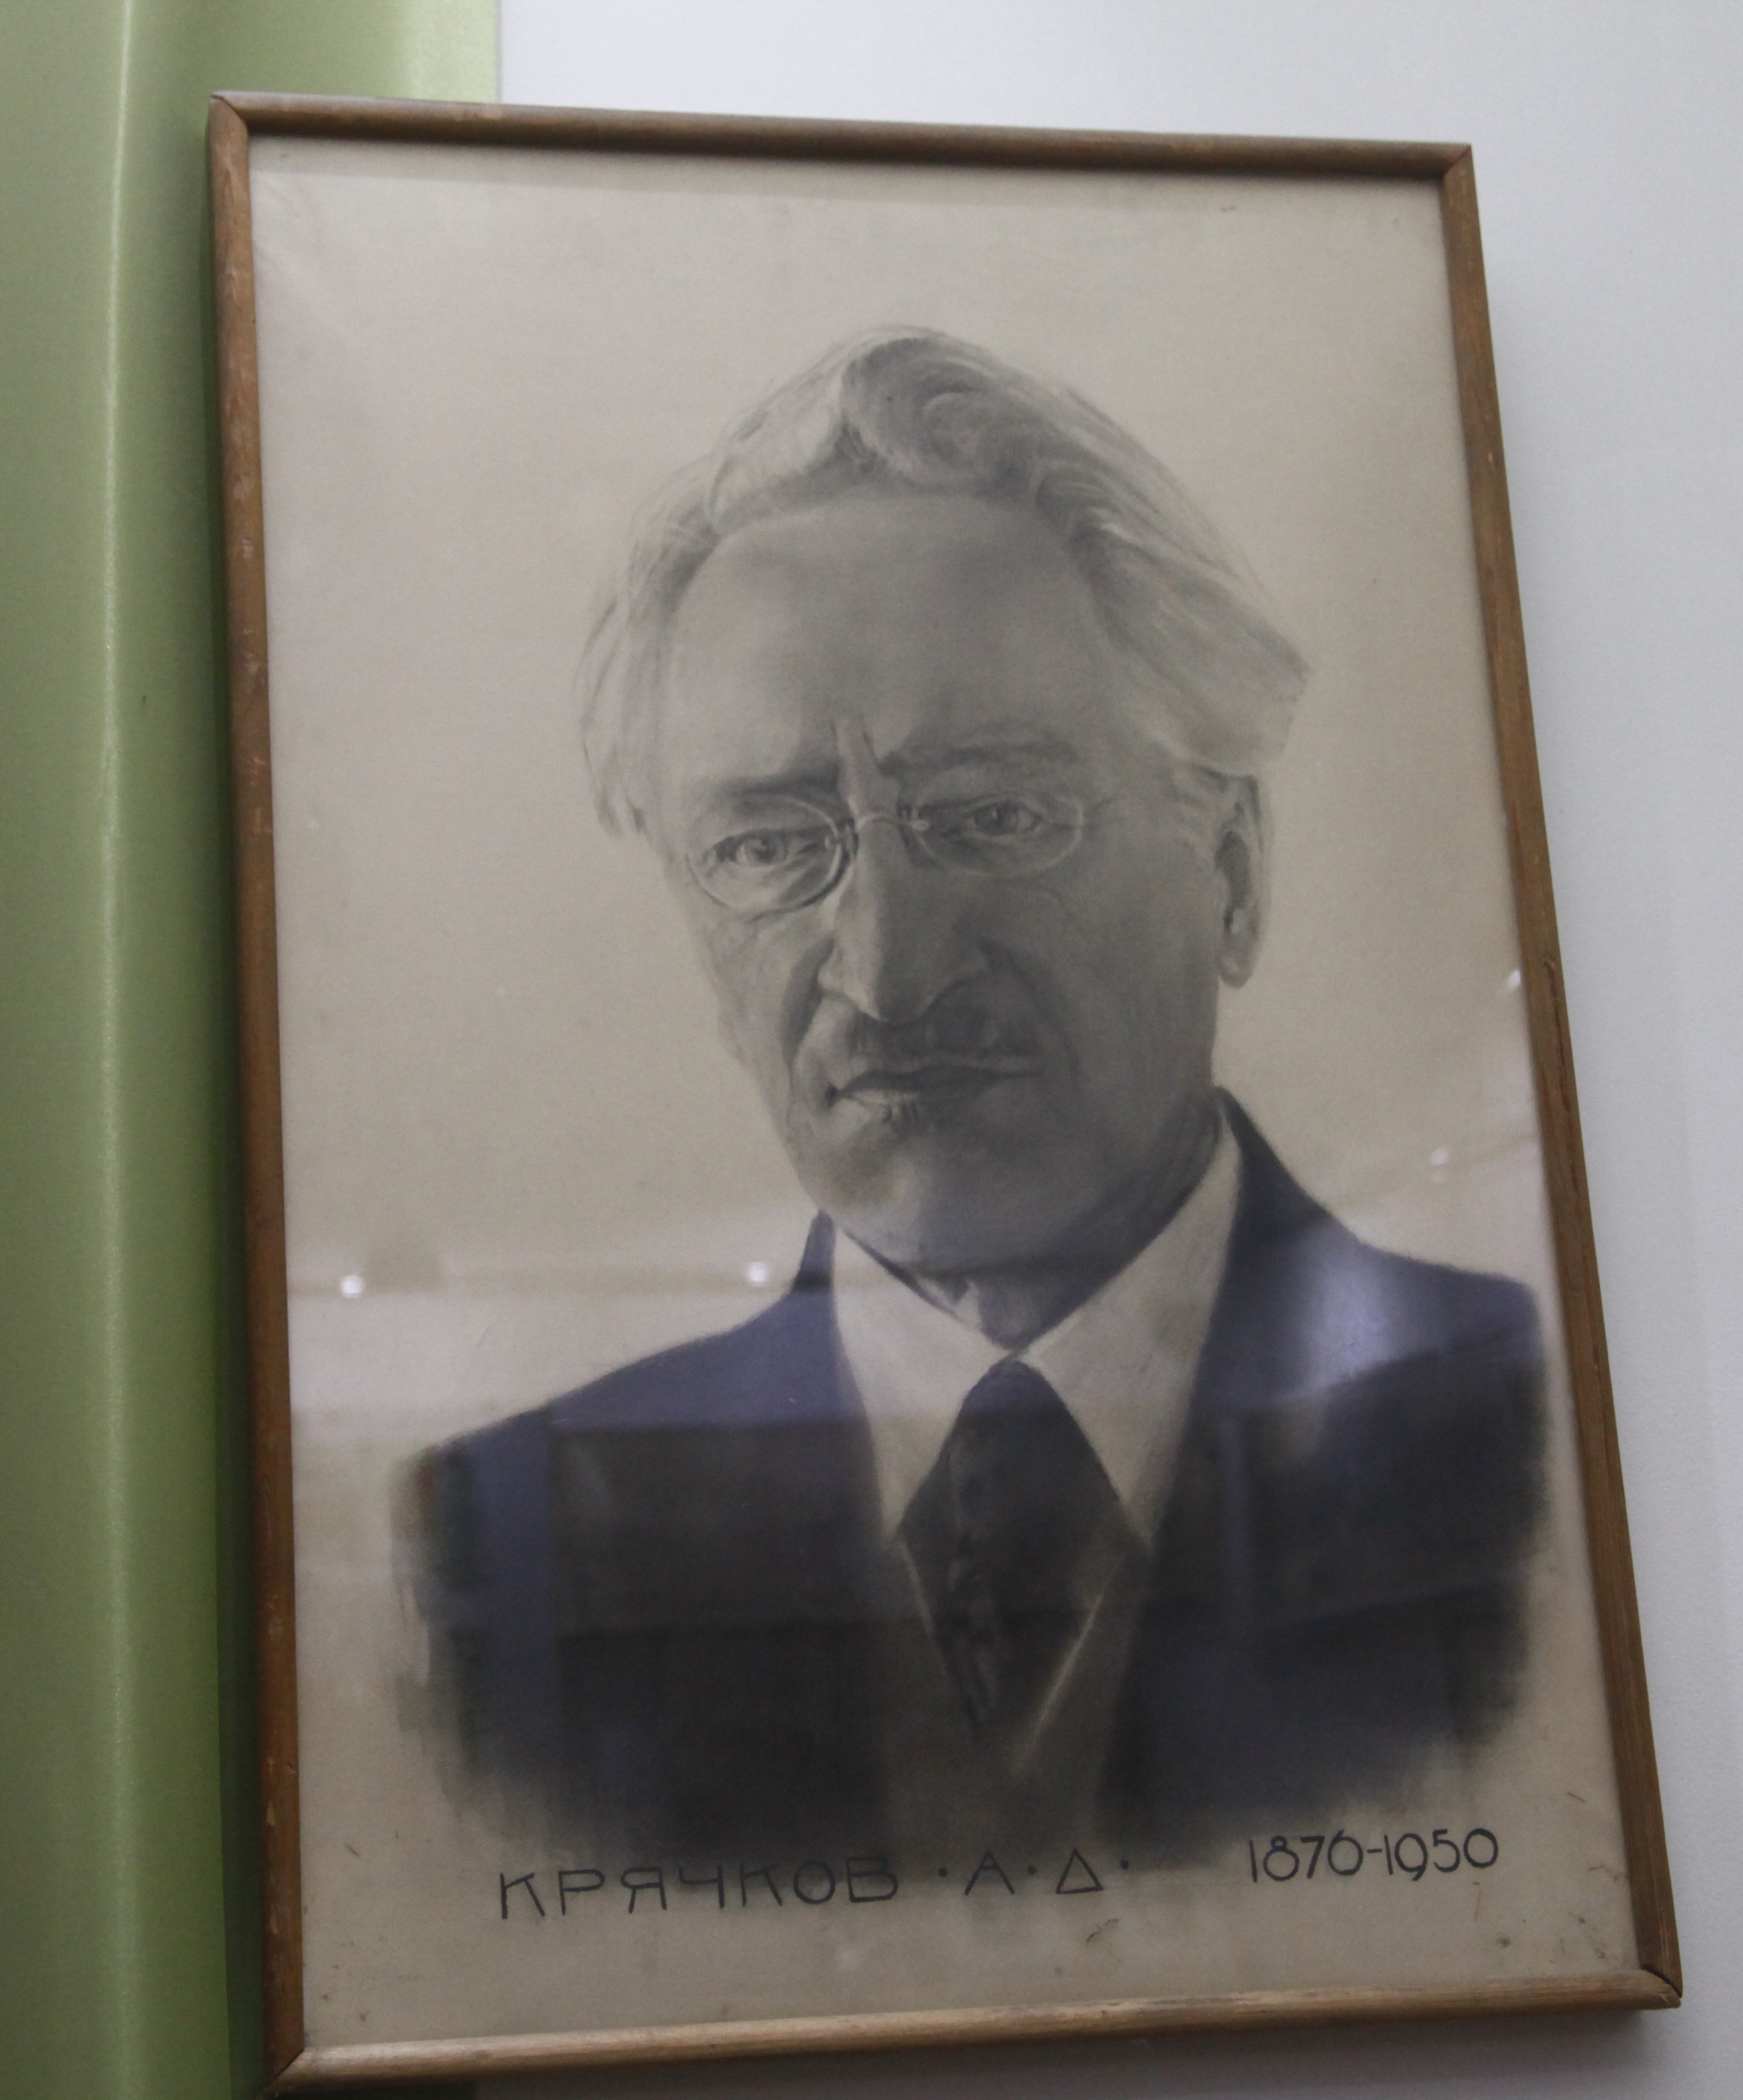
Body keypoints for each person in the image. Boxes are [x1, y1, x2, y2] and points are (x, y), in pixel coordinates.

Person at [408, 328, 1543, 1862]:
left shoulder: (1534, 1452)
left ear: (1229, 867)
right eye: (767, 847)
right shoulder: (497, 1552)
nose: (887, 975)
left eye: (994, 815)